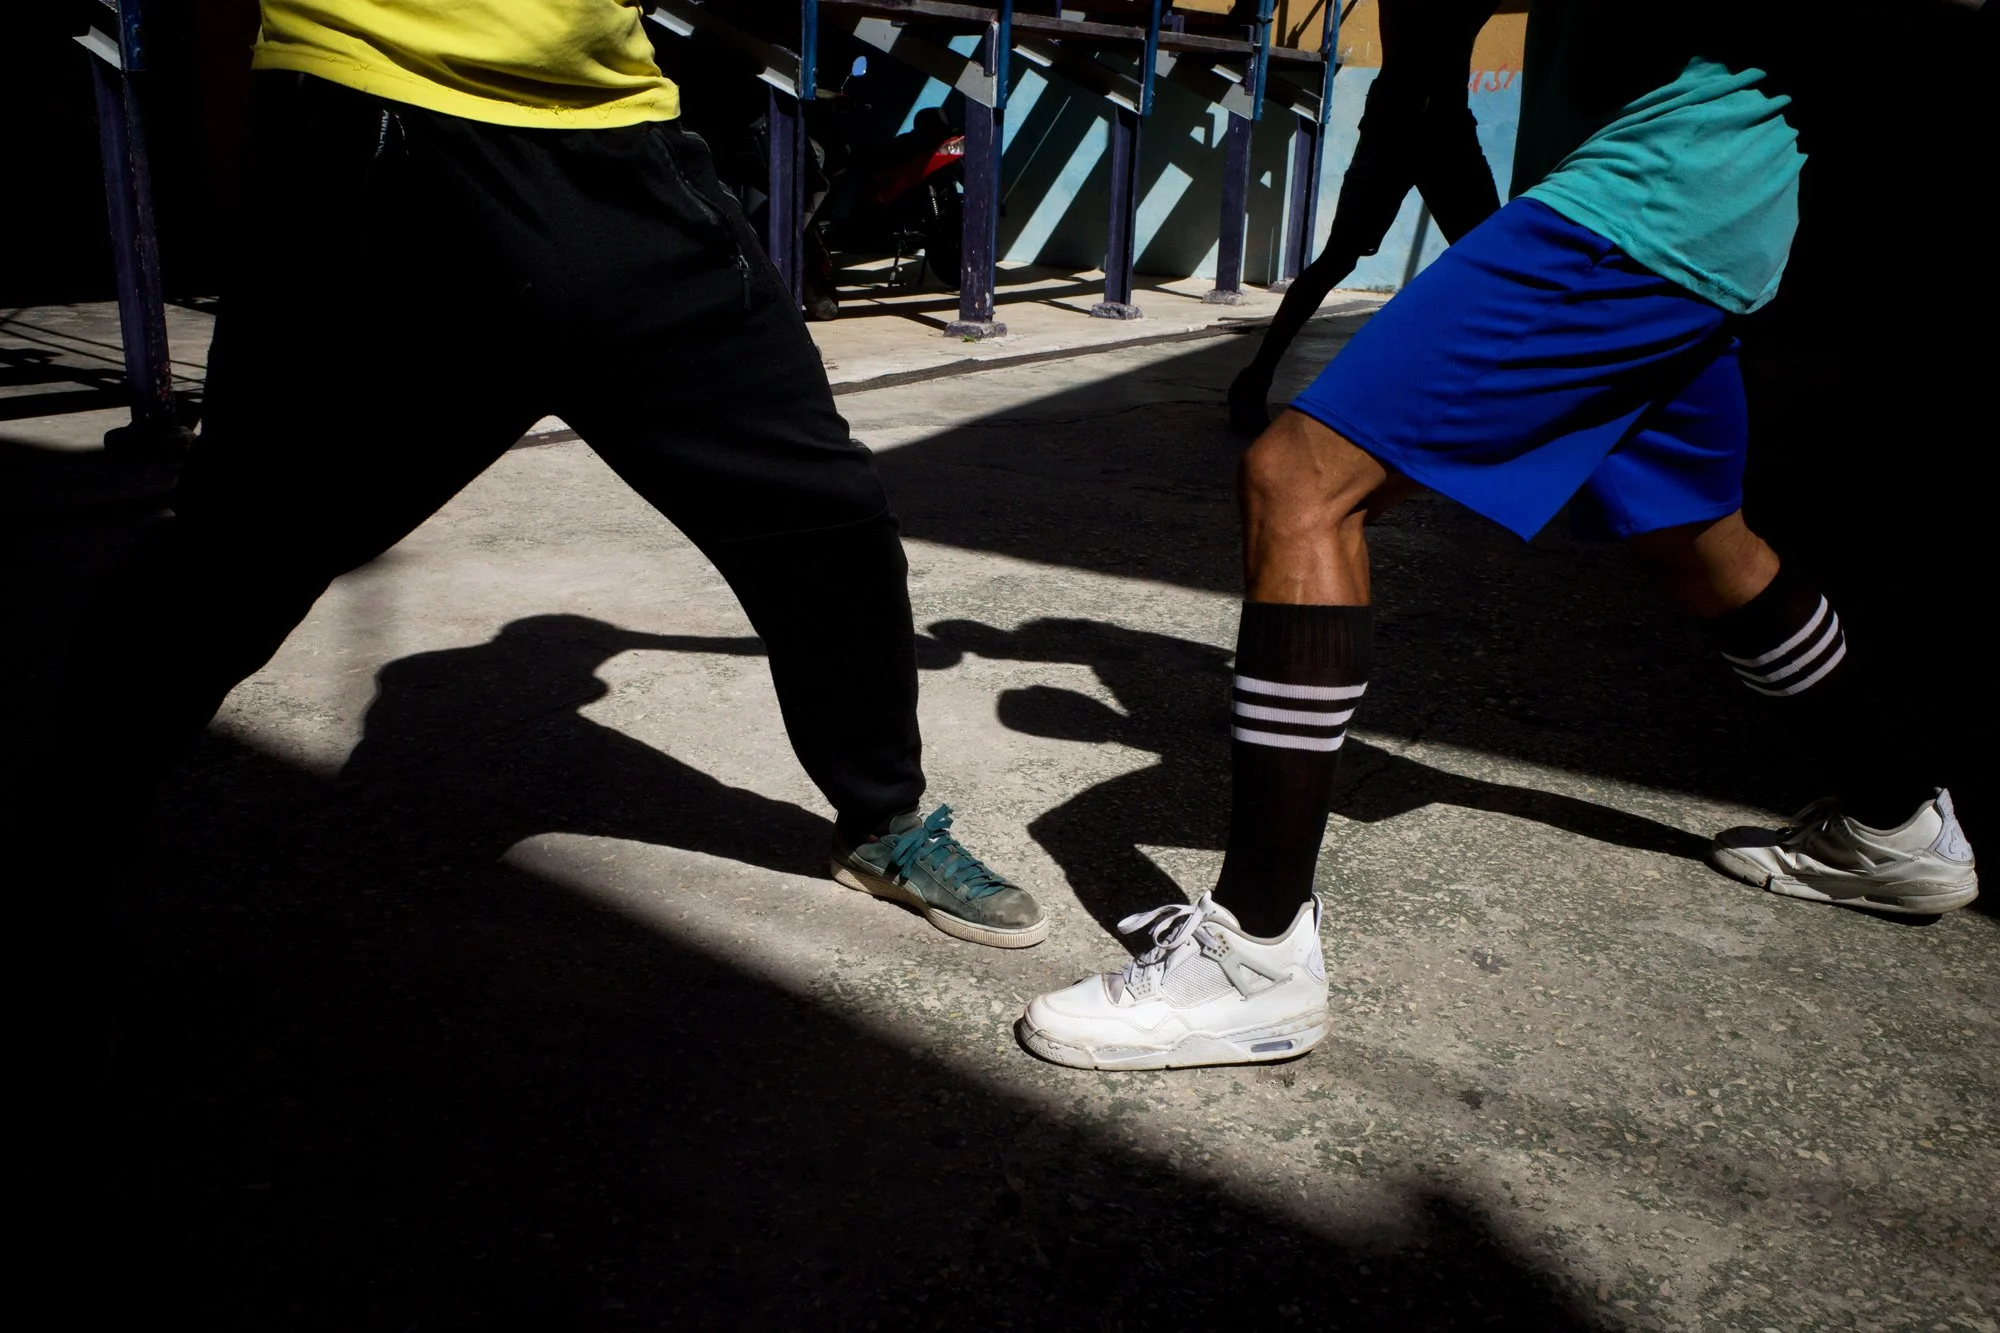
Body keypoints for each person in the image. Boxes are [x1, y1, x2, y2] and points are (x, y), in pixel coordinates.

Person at [1020, 0, 1978, 1070]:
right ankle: (1896, 825)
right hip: (1707, 214)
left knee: (1300, 480)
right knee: (1694, 534)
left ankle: (1252, 956)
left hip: (1642, 201)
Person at [58, 0, 1047, 950]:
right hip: (375, 124)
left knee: (822, 509)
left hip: (612, 140)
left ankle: (881, 820)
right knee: (237, 546)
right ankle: (58, 834)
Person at [1228, 0, 1502, 435]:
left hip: (1445, 129)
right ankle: (1256, 376)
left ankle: (1482, 395)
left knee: (1493, 264)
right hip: (1395, 127)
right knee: (1339, 259)